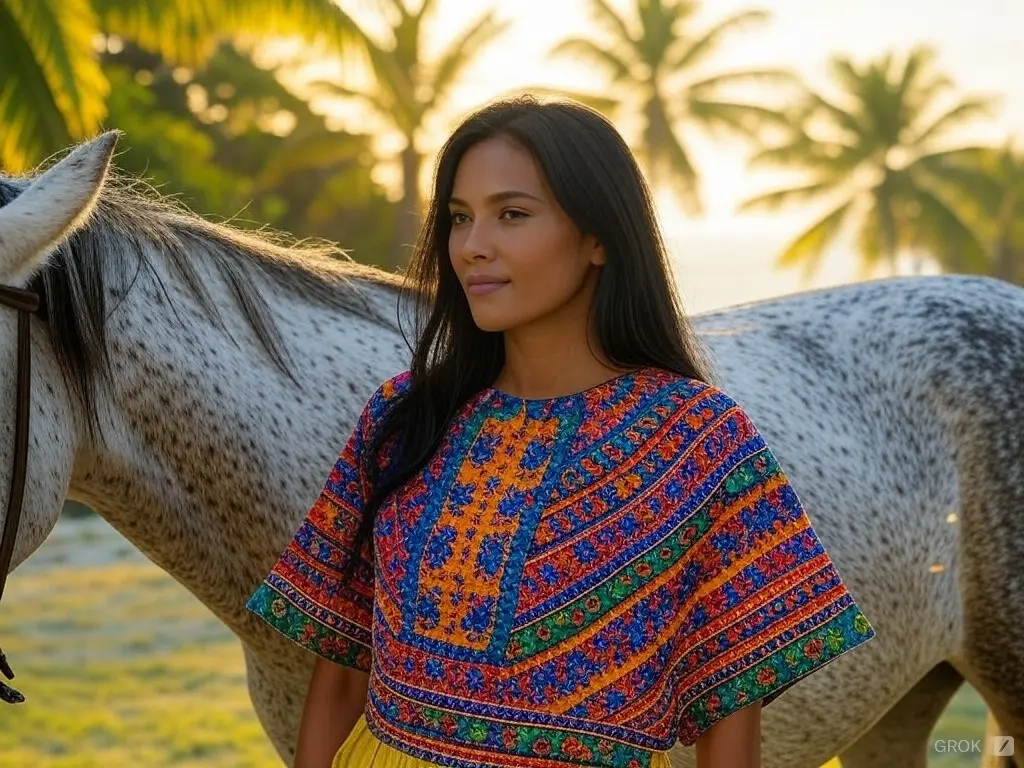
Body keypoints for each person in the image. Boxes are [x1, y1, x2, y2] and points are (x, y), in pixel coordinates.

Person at [245, 94, 876, 768]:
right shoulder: (404, 419)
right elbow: (341, 668)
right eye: (460, 219)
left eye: (511, 214)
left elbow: (731, 712)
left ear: (599, 236)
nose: (472, 247)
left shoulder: (699, 440)